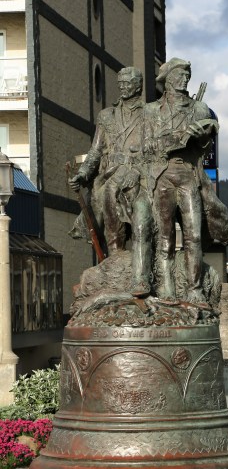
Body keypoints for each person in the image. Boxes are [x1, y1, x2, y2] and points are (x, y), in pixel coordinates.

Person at [144, 57, 228, 303]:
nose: (183, 81)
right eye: (177, 76)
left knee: (194, 236)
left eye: (186, 77)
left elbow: (206, 146)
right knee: (165, 236)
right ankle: (166, 289)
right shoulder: (150, 111)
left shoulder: (199, 109)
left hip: (189, 175)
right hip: (162, 176)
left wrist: (205, 133)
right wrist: (173, 139)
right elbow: (145, 147)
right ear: (167, 80)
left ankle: (194, 289)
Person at [69, 66, 153, 297]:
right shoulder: (107, 116)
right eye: (121, 83)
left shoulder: (150, 113)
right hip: (111, 174)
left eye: (128, 83)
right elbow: (95, 151)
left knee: (142, 220)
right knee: (107, 202)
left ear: (139, 86)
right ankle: (116, 262)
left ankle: (143, 270)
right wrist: (84, 174)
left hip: (141, 174)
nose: (123, 87)